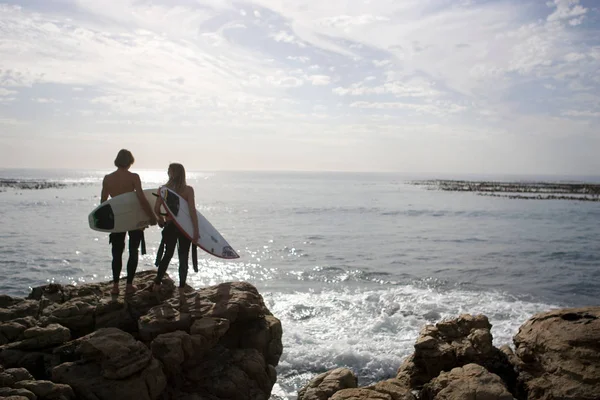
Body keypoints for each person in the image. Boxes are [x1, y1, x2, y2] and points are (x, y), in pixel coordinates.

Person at [101, 149, 157, 295]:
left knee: (116, 253)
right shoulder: (134, 177)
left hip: (117, 218)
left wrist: (105, 223)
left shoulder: (107, 178)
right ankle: (129, 285)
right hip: (133, 218)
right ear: (130, 161)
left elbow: (103, 203)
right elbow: (141, 199)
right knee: (133, 251)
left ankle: (115, 286)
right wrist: (151, 216)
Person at [153, 163, 199, 294]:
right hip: (185, 228)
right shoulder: (188, 190)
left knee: (167, 255)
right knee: (183, 257)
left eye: (169, 170)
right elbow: (192, 211)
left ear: (171, 173)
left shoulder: (163, 189)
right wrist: (196, 231)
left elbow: (156, 209)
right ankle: (182, 288)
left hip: (170, 226)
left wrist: (160, 219)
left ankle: (157, 283)